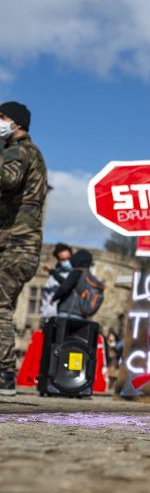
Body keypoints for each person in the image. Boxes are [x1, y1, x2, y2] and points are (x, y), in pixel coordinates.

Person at [0, 101, 47, 396]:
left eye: (2, 117)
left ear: (16, 123)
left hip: (16, 245)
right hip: (23, 246)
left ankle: (4, 374)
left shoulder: (19, 151)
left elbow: (8, 179)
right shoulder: (33, 153)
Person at [53, 250, 102, 319]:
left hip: (68, 311)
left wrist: (54, 298)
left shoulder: (77, 272)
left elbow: (64, 287)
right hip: (82, 316)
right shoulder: (92, 278)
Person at [40, 243, 73, 324]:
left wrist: (52, 271)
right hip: (48, 319)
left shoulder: (75, 274)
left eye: (68, 258)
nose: (66, 261)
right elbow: (46, 296)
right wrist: (44, 313)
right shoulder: (53, 276)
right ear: (58, 260)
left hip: (64, 320)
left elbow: (66, 284)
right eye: (63, 259)